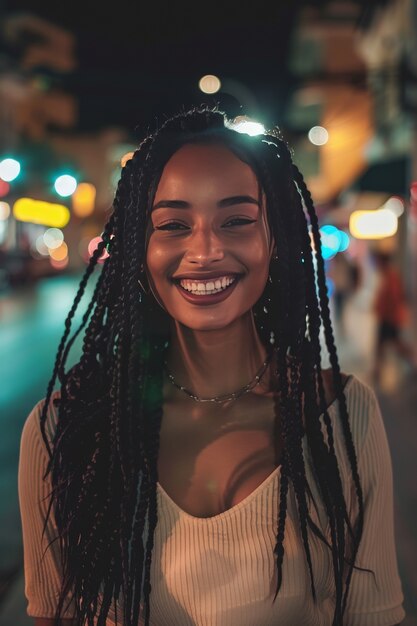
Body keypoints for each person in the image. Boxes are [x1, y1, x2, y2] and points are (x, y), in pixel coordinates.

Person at [18, 105, 405, 626]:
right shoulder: (64, 430)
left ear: (275, 239)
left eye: (237, 220)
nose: (205, 250)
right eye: (173, 224)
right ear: (139, 248)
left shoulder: (340, 414)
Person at [371, 251, 415, 384]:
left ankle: (412, 360)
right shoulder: (387, 275)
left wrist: (386, 311)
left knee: (393, 344)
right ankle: (377, 371)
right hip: (387, 317)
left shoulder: (391, 276)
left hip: (389, 318)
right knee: (385, 344)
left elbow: (394, 298)